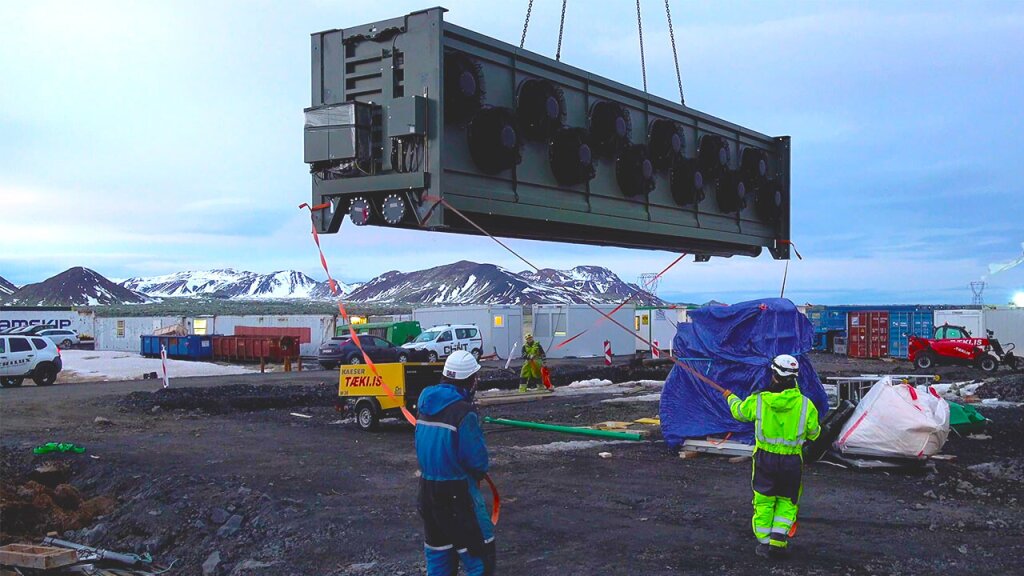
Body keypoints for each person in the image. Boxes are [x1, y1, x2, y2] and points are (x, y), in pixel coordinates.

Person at [722, 354, 820, 559]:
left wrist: (730, 397)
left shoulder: (759, 400)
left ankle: (764, 543)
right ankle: (778, 540)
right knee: (787, 500)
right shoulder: (805, 405)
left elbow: (740, 412)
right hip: (792, 462)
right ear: (795, 377)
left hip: (765, 460)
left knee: (764, 501)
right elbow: (814, 433)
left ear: (773, 374)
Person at [415, 350, 495, 575]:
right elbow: (476, 460)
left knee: (439, 558)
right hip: (458, 495)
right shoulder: (463, 412)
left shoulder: (425, 405)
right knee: (480, 558)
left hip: (428, 493)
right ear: (470, 380)